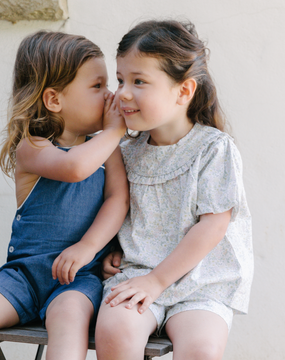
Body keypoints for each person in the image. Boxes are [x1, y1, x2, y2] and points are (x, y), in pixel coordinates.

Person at [0, 31, 129, 360]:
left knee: (68, 321)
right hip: (23, 277)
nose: (110, 96)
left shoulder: (108, 149)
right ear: (54, 100)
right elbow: (75, 168)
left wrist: (88, 247)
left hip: (78, 281)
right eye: (97, 86)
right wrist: (115, 130)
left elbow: (118, 200)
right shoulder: (33, 146)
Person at [95, 19, 253, 360]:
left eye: (139, 81)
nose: (122, 93)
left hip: (201, 281)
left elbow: (213, 224)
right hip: (136, 273)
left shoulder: (213, 148)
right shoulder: (124, 151)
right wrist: (109, 249)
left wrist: (157, 281)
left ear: (183, 91)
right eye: (120, 79)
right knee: (114, 330)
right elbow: (114, 205)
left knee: (201, 350)